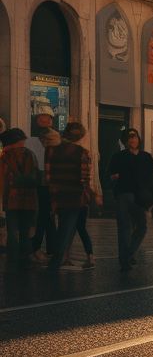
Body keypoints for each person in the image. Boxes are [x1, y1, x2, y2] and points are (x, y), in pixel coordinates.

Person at [46, 123, 95, 272]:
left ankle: (59, 259)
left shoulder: (52, 151)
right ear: (81, 136)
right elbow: (84, 178)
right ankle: (56, 261)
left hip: (59, 195)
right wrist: (90, 194)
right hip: (75, 196)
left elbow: (48, 177)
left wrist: (53, 195)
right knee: (67, 230)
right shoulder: (83, 153)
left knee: (62, 227)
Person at [109, 128, 153, 273]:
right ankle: (125, 260)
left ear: (139, 139)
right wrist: (114, 178)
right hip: (124, 195)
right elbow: (111, 174)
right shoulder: (118, 156)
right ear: (125, 140)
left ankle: (128, 253)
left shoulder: (146, 157)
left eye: (134, 137)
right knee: (125, 228)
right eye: (129, 138)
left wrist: (151, 199)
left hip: (141, 197)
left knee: (142, 227)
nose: (132, 140)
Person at [2, 128, 40, 273]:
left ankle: (13, 260)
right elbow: (35, 176)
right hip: (28, 199)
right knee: (25, 231)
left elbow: (3, 181)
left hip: (11, 199)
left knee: (12, 231)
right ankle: (25, 260)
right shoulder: (30, 155)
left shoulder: (4, 157)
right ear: (19, 141)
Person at [25, 109, 57, 263]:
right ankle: (40, 247)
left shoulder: (55, 139)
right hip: (38, 180)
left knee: (47, 215)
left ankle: (49, 247)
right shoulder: (31, 140)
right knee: (44, 215)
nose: (45, 123)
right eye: (42, 120)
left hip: (50, 181)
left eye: (47, 120)